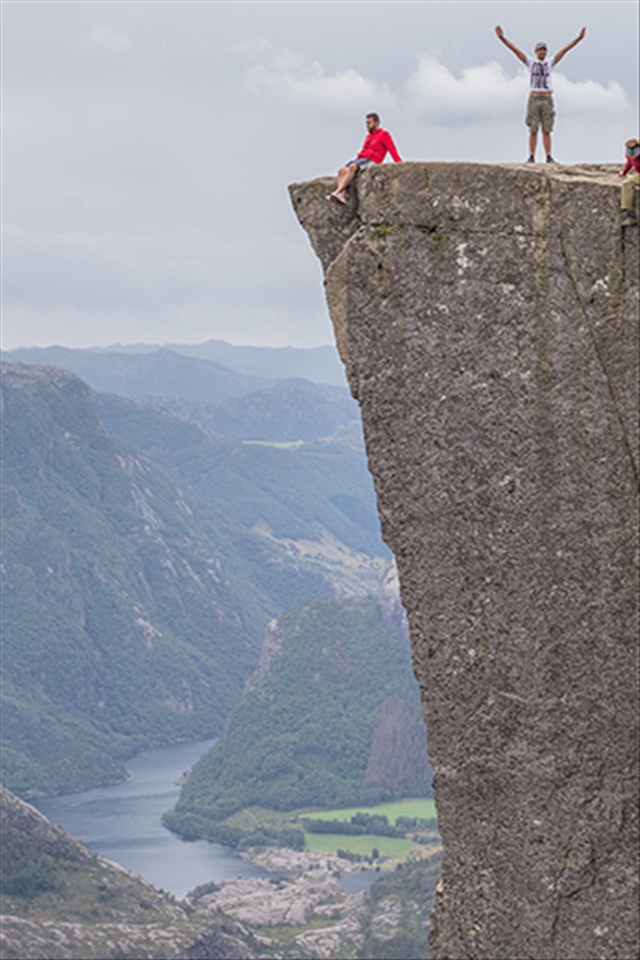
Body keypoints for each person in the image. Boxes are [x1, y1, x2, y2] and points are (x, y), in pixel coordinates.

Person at [495, 25, 586, 163]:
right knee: (533, 129)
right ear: (536, 51)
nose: (542, 52)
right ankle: (531, 156)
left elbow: (565, 49)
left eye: (544, 49)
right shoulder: (531, 63)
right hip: (534, 98)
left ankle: (548, 156)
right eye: (540, 50)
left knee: (547, 129)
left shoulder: (550, 63)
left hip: (547, 98)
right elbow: (515, 49)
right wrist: (502, 38)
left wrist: (578, 38)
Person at [327, 113, 402, 204]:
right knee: (341, 171)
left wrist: (399, 164)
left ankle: (337, 191)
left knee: (353, 167)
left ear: (376, 123)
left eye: (369, 123)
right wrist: (357, 159)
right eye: (366, 123)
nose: (367, 125)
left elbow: (392, 149)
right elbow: (363, 150)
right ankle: (341, 196)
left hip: (372, 159)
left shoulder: (384, 134)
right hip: (362, 159)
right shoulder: (368, 137)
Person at [618, 138, 640, 227]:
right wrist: (624, 172)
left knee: (627, 184)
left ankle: (630, 215)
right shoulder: (629, 155)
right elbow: (629, 163)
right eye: (629, 150)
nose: (631, 153)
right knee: (627, 184)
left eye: (634, 150)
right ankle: (629, 214)